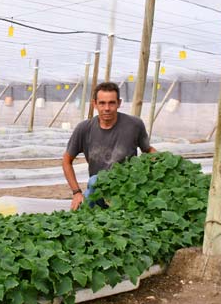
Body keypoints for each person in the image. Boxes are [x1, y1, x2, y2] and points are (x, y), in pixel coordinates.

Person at [62, 82, 157, 210]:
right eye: (102, 103)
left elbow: (148, 149)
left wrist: (160, 160)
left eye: (111, 103)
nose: (107, 108)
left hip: (127, 190)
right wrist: (76, 192)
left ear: (119, 103)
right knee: (95, 182)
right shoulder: (84, 129)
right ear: (94, 104)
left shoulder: (134, 125)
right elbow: (66, 161)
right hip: (98, 190)